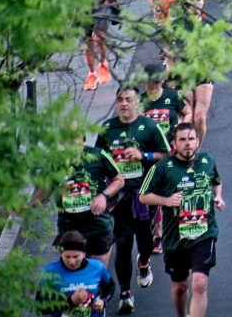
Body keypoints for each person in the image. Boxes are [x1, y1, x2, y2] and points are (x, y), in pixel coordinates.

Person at [96, 85, 170, 314]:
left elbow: (166, 154)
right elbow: (98, 157)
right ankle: (126, 293)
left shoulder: (149, 127)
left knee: (146, 240)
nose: (124, 104)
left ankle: (144, 262)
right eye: (120, 100)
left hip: (144, 195)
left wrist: (143, 155)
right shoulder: (107, 128)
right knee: (123, 241)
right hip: (119, 196)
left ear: (138, 102)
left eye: (128, 99)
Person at [139, 123, 225, 317]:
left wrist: (218, 197)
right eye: (182, 140)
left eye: (191, 139)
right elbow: (143, 195)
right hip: (175, 237)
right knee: (180, 287)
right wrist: (166, 201)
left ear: (198, 141)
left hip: (204, 232)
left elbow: (217, 182)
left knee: (200, 283)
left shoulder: (207, 161)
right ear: (174, 143)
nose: (187, 144)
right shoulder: (163, 168)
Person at [44, 132, 124, 269]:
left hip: (97, 225)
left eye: (74, 136)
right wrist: (27, 205)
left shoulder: (98, 155)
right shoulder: (55, 162)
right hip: (69, 227)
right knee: (72, 273)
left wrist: (103, 196)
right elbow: (45, 189)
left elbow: (119, 180)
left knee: (95, 276)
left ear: (83, 138)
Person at [38, 231, 115, 317]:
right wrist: (70, 301)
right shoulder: (50, 272)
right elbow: (41, 306)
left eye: (76, 257)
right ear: (60, 254)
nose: (71, 262)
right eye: (67, 257)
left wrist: (103, 301)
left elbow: (110, 287)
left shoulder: (97, 267)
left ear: (84, 254)